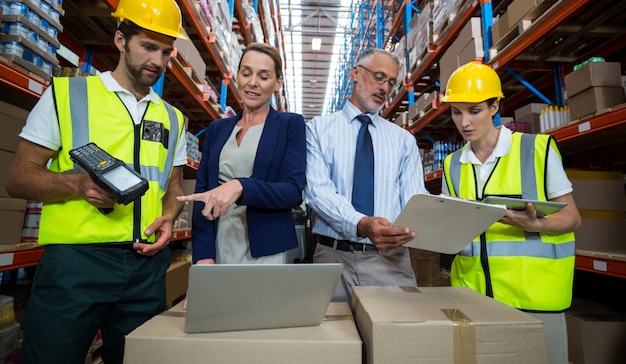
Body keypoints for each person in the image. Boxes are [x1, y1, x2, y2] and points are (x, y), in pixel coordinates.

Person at [5, 0, 189, 364]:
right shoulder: (67, 95)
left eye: (166, 51)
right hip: (76, 264)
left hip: (145, 267)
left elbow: (172, 186)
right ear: (120, 39)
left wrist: (169, 217)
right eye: (148, 46)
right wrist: (78, 184)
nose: (158, 60)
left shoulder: (174, 118)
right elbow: (19, 178)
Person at [440, 61, 582, 364]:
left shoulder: (536, 150)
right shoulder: (452, 164)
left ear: (494, 106)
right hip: (472, 299)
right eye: (456, 111)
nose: (464, 121)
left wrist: (536, 223)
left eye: (474, 110)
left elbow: (572, 217)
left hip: (534, 299)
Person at [304, 48, 428, 304]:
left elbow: (415, 199)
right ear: (356, 73)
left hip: (390, 261)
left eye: (391, 82)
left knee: (398, 340)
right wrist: (361, 223)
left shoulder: (403, 140)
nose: (384, 88)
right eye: (379, 77)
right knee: (334, 341)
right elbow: (317, 192)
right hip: (332, 259)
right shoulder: (317, 130)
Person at [178, 42, 306, 264]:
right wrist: (203, 255)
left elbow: (292, 191)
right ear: (237, 75)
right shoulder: (218, 129)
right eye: (246, 73)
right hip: (219, 243)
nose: (252, 83)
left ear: (278, 83)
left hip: (265, 250)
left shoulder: (289, 125)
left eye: (263, 77)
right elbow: (202, 194)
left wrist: (240, 186)